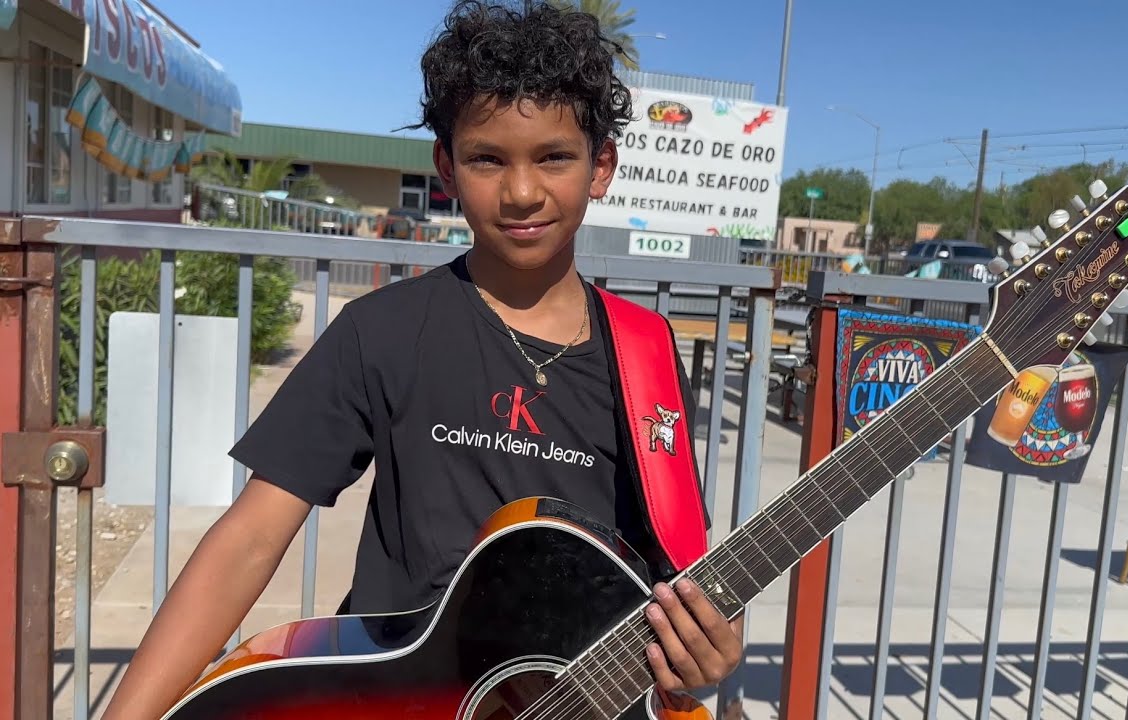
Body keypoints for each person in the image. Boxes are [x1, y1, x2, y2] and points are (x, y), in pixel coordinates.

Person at [101, 1, 742, 718]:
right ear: (446, 166)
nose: (522, 191)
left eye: (554, 157)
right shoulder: (380, 331)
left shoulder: (648, 357)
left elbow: (683, 579)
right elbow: (249, 540)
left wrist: (706, 651)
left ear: (602, 167)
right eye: (487, 159)